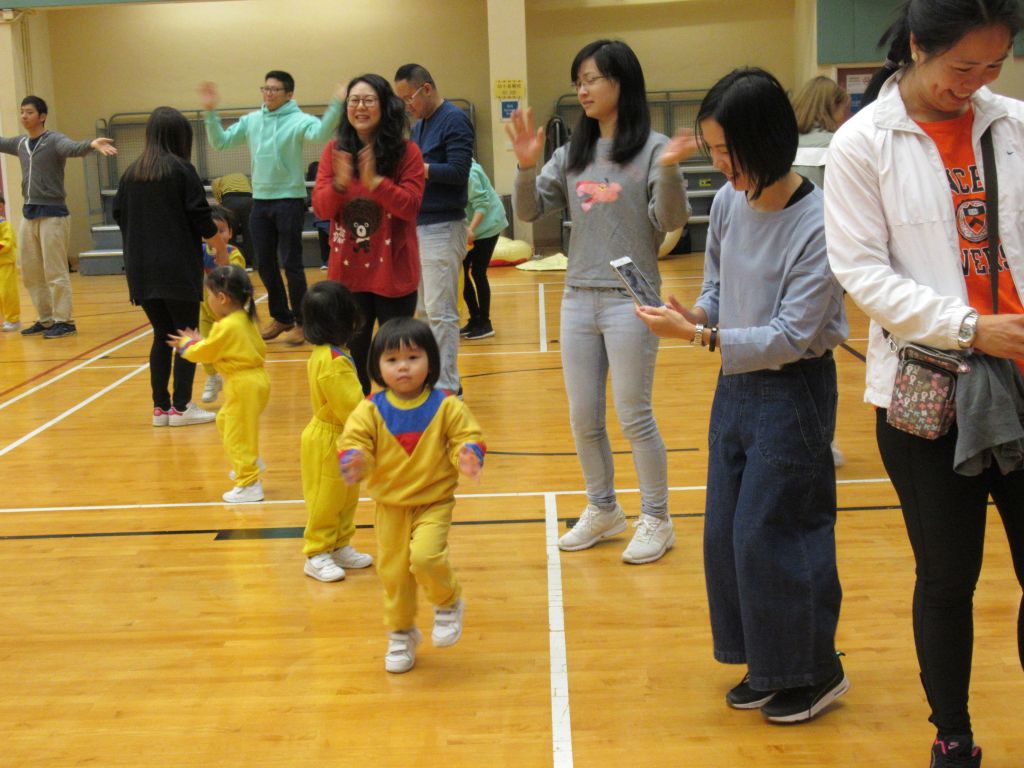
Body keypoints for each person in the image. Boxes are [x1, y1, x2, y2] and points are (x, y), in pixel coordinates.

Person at [823, 1, 1024, 763]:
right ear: (916, 46)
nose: (975, 83)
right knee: (946, 578)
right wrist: (970, 326)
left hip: (1022, 380)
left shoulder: (1013, 124)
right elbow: (862, 272)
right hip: (928, 395)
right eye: (961, 66)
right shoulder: (862, 143)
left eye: (994, 66)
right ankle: (953, 735)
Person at [636, 67, 849, 723]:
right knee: (728, 531)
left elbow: (792, 335)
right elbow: (717, 289)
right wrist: (695, 315)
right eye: (713, 149)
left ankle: (817, 671)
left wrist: (701, 336)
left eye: (728, 150)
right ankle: (770, 662)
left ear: (767, 141)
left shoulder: (820, 221)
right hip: (736, 384)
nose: (720, 164)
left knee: (775, 531)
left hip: (795, 389)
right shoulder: (731, 203)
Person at [507, 39, 688, 564]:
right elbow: (528, 211)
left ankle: (657, 518)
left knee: (634, 415)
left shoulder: (654, 149)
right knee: (583, 417)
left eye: (591, 79)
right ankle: (604, 508)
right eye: (578, 81)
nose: (582, 90)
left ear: (621, 83)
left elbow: (671, 221)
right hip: (577, 297)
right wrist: (525, 167)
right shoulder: (571, 154)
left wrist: (669, 169)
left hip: (632, 300)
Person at [338, 317, 484, 673]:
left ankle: (448, 602)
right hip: (390, 507)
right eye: (392, 359)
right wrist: (355, 458)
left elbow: (466, 436)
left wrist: (467, 453)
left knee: (426, 556)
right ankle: (401, 633)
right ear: (377, 366)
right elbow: (354, 440)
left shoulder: (445, 404)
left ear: (430, 361)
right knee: (394, 576)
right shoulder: (371, 408)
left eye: (413, 357)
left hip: (433, 502)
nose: (403, 366)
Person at [199, 71, 344, 346]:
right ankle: (282, 317)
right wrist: (210, 111)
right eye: (265, 88)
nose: (268, 93)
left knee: (292, 264)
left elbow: (321, 134)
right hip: (260, 200)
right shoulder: (252, 120)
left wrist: (337, 104)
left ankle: (302, 322)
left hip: (289, 200)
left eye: (275, 89)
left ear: (289, 94)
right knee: (264, 264)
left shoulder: (299, 120)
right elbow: (220, 142)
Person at [113, 106, 228, 428]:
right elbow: (200, 217)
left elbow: (119, 215)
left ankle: (161, 408)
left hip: (141, 269)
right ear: (181, 137)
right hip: (176, 267)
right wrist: (220, 250)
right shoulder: (181, 170)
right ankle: (181, 407)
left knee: (162, 335)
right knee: (186, 335)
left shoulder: (131, 173)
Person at [312, 74, 425, 395]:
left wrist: (376, 182)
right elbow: (321, 209)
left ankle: (398, 417)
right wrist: (339, 184)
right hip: (347, 276)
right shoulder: (334, 151)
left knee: (397, 359)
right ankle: (361, 418)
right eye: (354, 100)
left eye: (368, 100)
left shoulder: (407, 153)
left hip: (394, 273)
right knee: (354, 361)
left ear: (384, 105)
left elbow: (410, 207)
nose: (360, 107)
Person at [0, 95, 117, 339]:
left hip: (53, 215)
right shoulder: (21, 143)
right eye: (22, 112)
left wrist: (92, 144)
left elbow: (72, 148)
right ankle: (45, 319)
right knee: (30, 272)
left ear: (42, 116)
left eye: (29, 112)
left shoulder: (54, 140)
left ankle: (64, 321)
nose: (24, 116)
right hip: (29, 213)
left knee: (54, 271)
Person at [394, 64, 474, 394]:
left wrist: (418, 167)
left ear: (426, 89)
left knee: (441, 313)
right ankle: (433, 379)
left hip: (443, 226)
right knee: (425, 312)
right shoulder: (420, 125)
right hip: (420, 226)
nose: (406, 105)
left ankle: (447, 386)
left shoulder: (454, 119)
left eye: (408, 97)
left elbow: (458, 171)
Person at [169, 264, 270, 504]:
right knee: (226, 420)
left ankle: (249, 483)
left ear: (222, 298)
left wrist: (186, 345)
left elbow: (205, 353)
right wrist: (200, 343)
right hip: (256, 381)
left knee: (237, 435)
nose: (208, 301)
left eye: (209, 296)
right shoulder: (243, 318)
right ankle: (250, 461)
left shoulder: (226, 325)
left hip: (243, 385)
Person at [790, 76, 852, 468]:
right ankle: (821, 441)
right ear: (834, 106)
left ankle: (798, 437)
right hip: (826, 265)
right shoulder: (839, 146)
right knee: (818, 357)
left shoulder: (783, 147)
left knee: (788, 356)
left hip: (784, 266)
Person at [299, 281, 374, 582]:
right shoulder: (333, 362)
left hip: (341, 436)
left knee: (346, 497)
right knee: (326, 499)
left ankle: (340, 544)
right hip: (329, 439)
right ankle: (316, 552)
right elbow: (352, 408)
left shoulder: (331, 353)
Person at [199, 206, 246, 404]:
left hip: (229, 314)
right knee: (205, 347)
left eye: (222, 230)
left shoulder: (233, 253)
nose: (217, 235)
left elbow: (236, 276)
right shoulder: (199, 252)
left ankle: (238, 382)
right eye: (212, 231)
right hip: (205, 311)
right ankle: (213, 377)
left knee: (233, 351)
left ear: (230, 232)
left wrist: (221, 264)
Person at [460, 159, 508, 341]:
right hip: (469, 227)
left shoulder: (469, 172)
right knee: (461, 273)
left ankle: (485, 323)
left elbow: (482, 203)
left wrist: (471, 229)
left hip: (488, 226)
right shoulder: (448, 169)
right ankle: (475, 319)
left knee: (478, 272)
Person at [791, 76, 851, 189]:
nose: (846, 117)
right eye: (845, 110)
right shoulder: (839, 145)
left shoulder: (782, 143)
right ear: (834, 107)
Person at [210, 173, 255, 270]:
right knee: (250, 234)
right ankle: (252, 264)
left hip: (229, 201)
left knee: (229, 233)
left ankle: (232, 262)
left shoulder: (218, 180)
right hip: (249, 201)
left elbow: (217, 192)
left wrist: (222, 207)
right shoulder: (245, 178)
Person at [305, 161, 330, 271]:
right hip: (322, 217)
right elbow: (307, 202)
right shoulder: (311, 188)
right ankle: (325, 260)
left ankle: (326, 260)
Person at [0, 194, 19, 332]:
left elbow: (7, 242)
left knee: (7, 292)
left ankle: (13, 319)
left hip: (5, 263)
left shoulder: (4, 224)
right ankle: (4, 319)